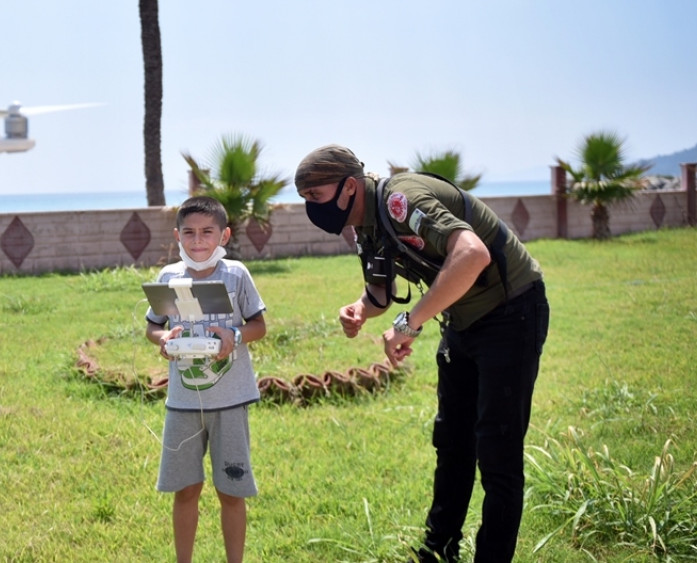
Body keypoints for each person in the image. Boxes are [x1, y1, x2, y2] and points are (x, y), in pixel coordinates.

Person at [295, 145, 549, 563]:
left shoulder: (401, 199)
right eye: (305, 200)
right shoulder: (367, 226)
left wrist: (409, 324)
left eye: (316, 197)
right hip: (463, 321)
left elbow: (472, 254)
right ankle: (438, 548)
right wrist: (361, 309)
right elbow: (379, 291)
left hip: (512, 311)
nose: (312, 208)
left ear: (349, 187)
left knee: (498, 451)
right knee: (452, 440)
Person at [145, 195, 268, 563]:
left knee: (231, 491)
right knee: (185, 489)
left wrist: (236, 337)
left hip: (229, 402)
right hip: (183, 403)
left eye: (207, 232)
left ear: (224, 235)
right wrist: (163, 340)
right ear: (177, 236)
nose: (198, 241)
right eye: (190, 233)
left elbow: (259, 325)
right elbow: (153, 327)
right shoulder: (169, 278)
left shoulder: (235, 275)